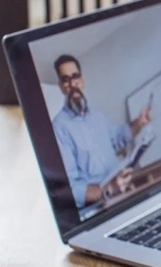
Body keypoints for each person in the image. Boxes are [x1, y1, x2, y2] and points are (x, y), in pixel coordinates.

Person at [51, 54, 152, 209]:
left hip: (124, 191)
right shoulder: (59, 128)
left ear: (82, 80)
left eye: (75, 76)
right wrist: (107, 190)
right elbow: (69, 188)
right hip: (100, 207)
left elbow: (118, 137)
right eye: (66, 79)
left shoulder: (98, 115)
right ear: (61, 86)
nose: (72, 84)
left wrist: (139, 122)